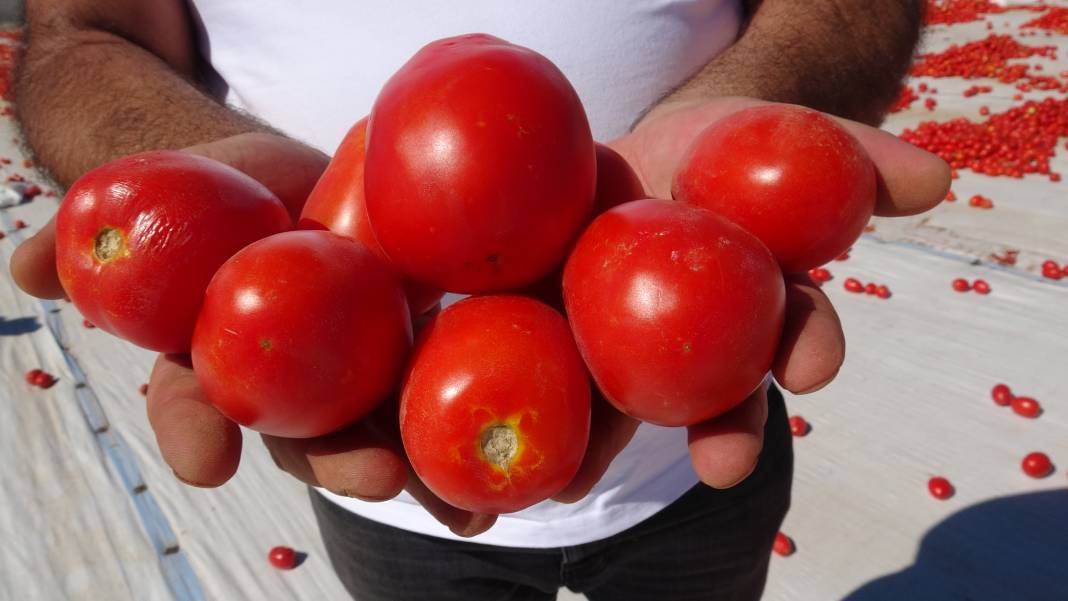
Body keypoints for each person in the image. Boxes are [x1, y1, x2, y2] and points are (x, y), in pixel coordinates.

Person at [10, 1, 948, 599]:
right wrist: (230, 215)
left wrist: (729, 140)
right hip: (393, 480)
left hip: (688, 473)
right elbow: (83, 29)